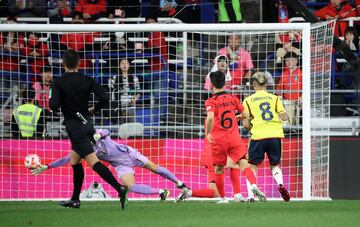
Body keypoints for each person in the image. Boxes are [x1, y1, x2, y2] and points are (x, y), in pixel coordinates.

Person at [49, 49, 127, 210]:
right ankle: (75, 199)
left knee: (94, 163)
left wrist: (57, 99)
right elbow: (105, 97)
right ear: (78, 63)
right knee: (74, 161)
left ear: (63, 63)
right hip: (87, 123)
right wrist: (94, 109)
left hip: (74, 127)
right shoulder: (87, 79)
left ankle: (119, 188)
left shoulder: (58, 82)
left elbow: (53, 106)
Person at [31, 129, 190, 200]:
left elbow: (106, 130)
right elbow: (67, 159)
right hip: (120, 165)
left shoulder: (96, 134)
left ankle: (180, 184)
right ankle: (162, 192)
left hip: (129, 153)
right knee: (130, 186)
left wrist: (98, 135)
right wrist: (47, 166)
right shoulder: (84, 149)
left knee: (155, 168)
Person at [204, 70, 266, 203]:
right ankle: (253, 185)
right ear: (225, 83)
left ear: (212, 84)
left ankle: (223, 198)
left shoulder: (211, 101)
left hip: (219, 140)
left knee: (219, 169)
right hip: (234, 138)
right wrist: (237, 116)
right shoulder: (233, 98)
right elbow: (246, 114)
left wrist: (207, 132)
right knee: (244, 164)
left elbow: (210, 118)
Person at [243, 72, 291, 202]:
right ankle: (280, 184)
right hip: (275, 135)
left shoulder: (247, 100)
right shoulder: (275, 98)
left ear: (253, 84)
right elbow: (284, 115)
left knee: (252, 166)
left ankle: (251, 196)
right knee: (275, 165)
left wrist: (249, 125)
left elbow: (246, 124)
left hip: (258, 135)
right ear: (267, 84)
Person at [107, 58, 141, 124]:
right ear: (119, 65)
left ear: (129, 65)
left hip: (130, 104)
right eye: (122, 63)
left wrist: (135, 99)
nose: (124, 65)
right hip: (118, 105)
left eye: (126, 63)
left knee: (131, 125)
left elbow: (138, 92)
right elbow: (111, 93)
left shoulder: (134, 78)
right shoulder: (113, 78)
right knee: (120, 124)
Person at [276, 52, 302, 125]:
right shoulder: (284, 73)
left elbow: (305, 86)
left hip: (298, 101)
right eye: (287, 60)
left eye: (292, 60)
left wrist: (302, 97)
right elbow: (279, 87)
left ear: (296, 61)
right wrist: (278, 97)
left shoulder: (301, 73)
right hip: (287, 101)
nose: (289, 62)